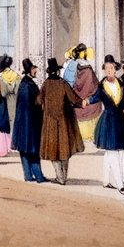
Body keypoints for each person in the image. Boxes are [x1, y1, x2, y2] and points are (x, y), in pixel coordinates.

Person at [83, 55, 124, 197]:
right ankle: (120, 185)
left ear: (115, 70)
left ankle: (106, 180)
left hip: (119, 121)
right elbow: (95, 97)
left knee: (113, 152)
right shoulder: (101, 86)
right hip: (108, 121)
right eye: (106, 68)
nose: (108, 70)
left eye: (111, 68)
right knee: (113, 152)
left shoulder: (121, 84)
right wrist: (87, 101)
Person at [39, 56, 84, 185]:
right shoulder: (63, 83)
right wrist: (83, 103)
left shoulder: (45, 84)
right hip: (63, 121)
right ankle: (63, 176)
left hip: (50, 123)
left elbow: (38, 100)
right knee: (64, 149)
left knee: (53, 150)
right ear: (58, 72)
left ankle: (59, 176)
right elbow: (74, 99)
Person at [12, 59, 46, 182]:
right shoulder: (27, 85)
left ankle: (32, 175)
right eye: (33, 69)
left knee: (27, 149)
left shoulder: (26, 84)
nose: (36, 70)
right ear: (29, 71)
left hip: (27, 122)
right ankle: (34, 175)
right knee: (30, 149)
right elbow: (29, 107)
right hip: (28, 122)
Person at [72, 47, 102, 141]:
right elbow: (93, 87)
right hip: (86, 102)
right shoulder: (88, 70)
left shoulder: (76, 69)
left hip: (78, 100)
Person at [0, 54, 20, 147]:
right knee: (15, 121)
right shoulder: (17, 75)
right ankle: (14, 142)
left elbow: (3, 93)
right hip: (16, 100)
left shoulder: (2, 78)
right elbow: (19, 90)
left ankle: (8, 143)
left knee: (8, 121)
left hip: (6, 101)